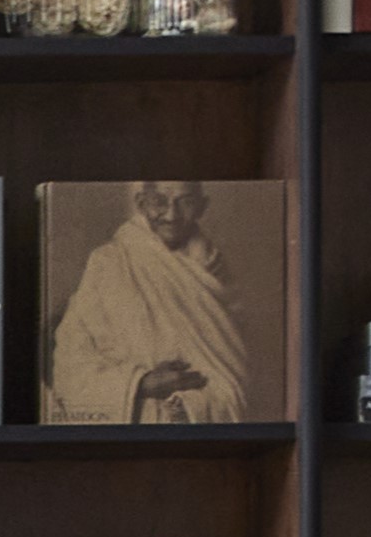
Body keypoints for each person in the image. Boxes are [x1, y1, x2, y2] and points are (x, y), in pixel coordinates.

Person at [45, 180, 255, 424]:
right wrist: (141, 383)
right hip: (135, 417)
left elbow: (234, 370)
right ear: (141, 203)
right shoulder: (108, 262)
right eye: (159, 202)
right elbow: (70, 363)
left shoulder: (216, 270)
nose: (172, 215)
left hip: (199, 416)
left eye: (185, 202)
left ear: (202, 206)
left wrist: (193, 405)